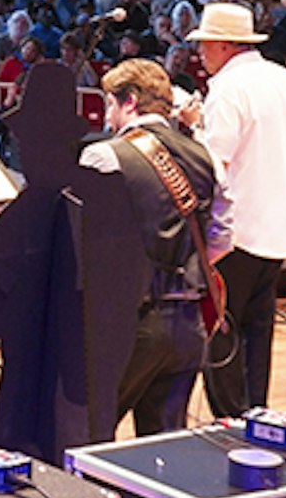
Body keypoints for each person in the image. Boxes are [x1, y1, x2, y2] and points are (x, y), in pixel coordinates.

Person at [78, 58, 217, 436]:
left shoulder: (105, 157)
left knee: (91, 438)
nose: (107, 117)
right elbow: (218, 234)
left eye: (110, 103)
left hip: (131, 325)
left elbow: (80, 241)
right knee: (163, 458)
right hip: (189, 326)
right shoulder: (202, 155)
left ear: (130, 101)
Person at [189, 2, 286, 416]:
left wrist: (192, 130)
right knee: (258, 331)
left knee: (221, 331)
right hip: (278, 226)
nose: (201, 54)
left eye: (204, 45)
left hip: (237, 230)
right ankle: (258, 415)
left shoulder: (229, 88)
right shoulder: (284, 79)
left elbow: (211, 162)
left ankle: (231, 422)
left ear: (223, 44)